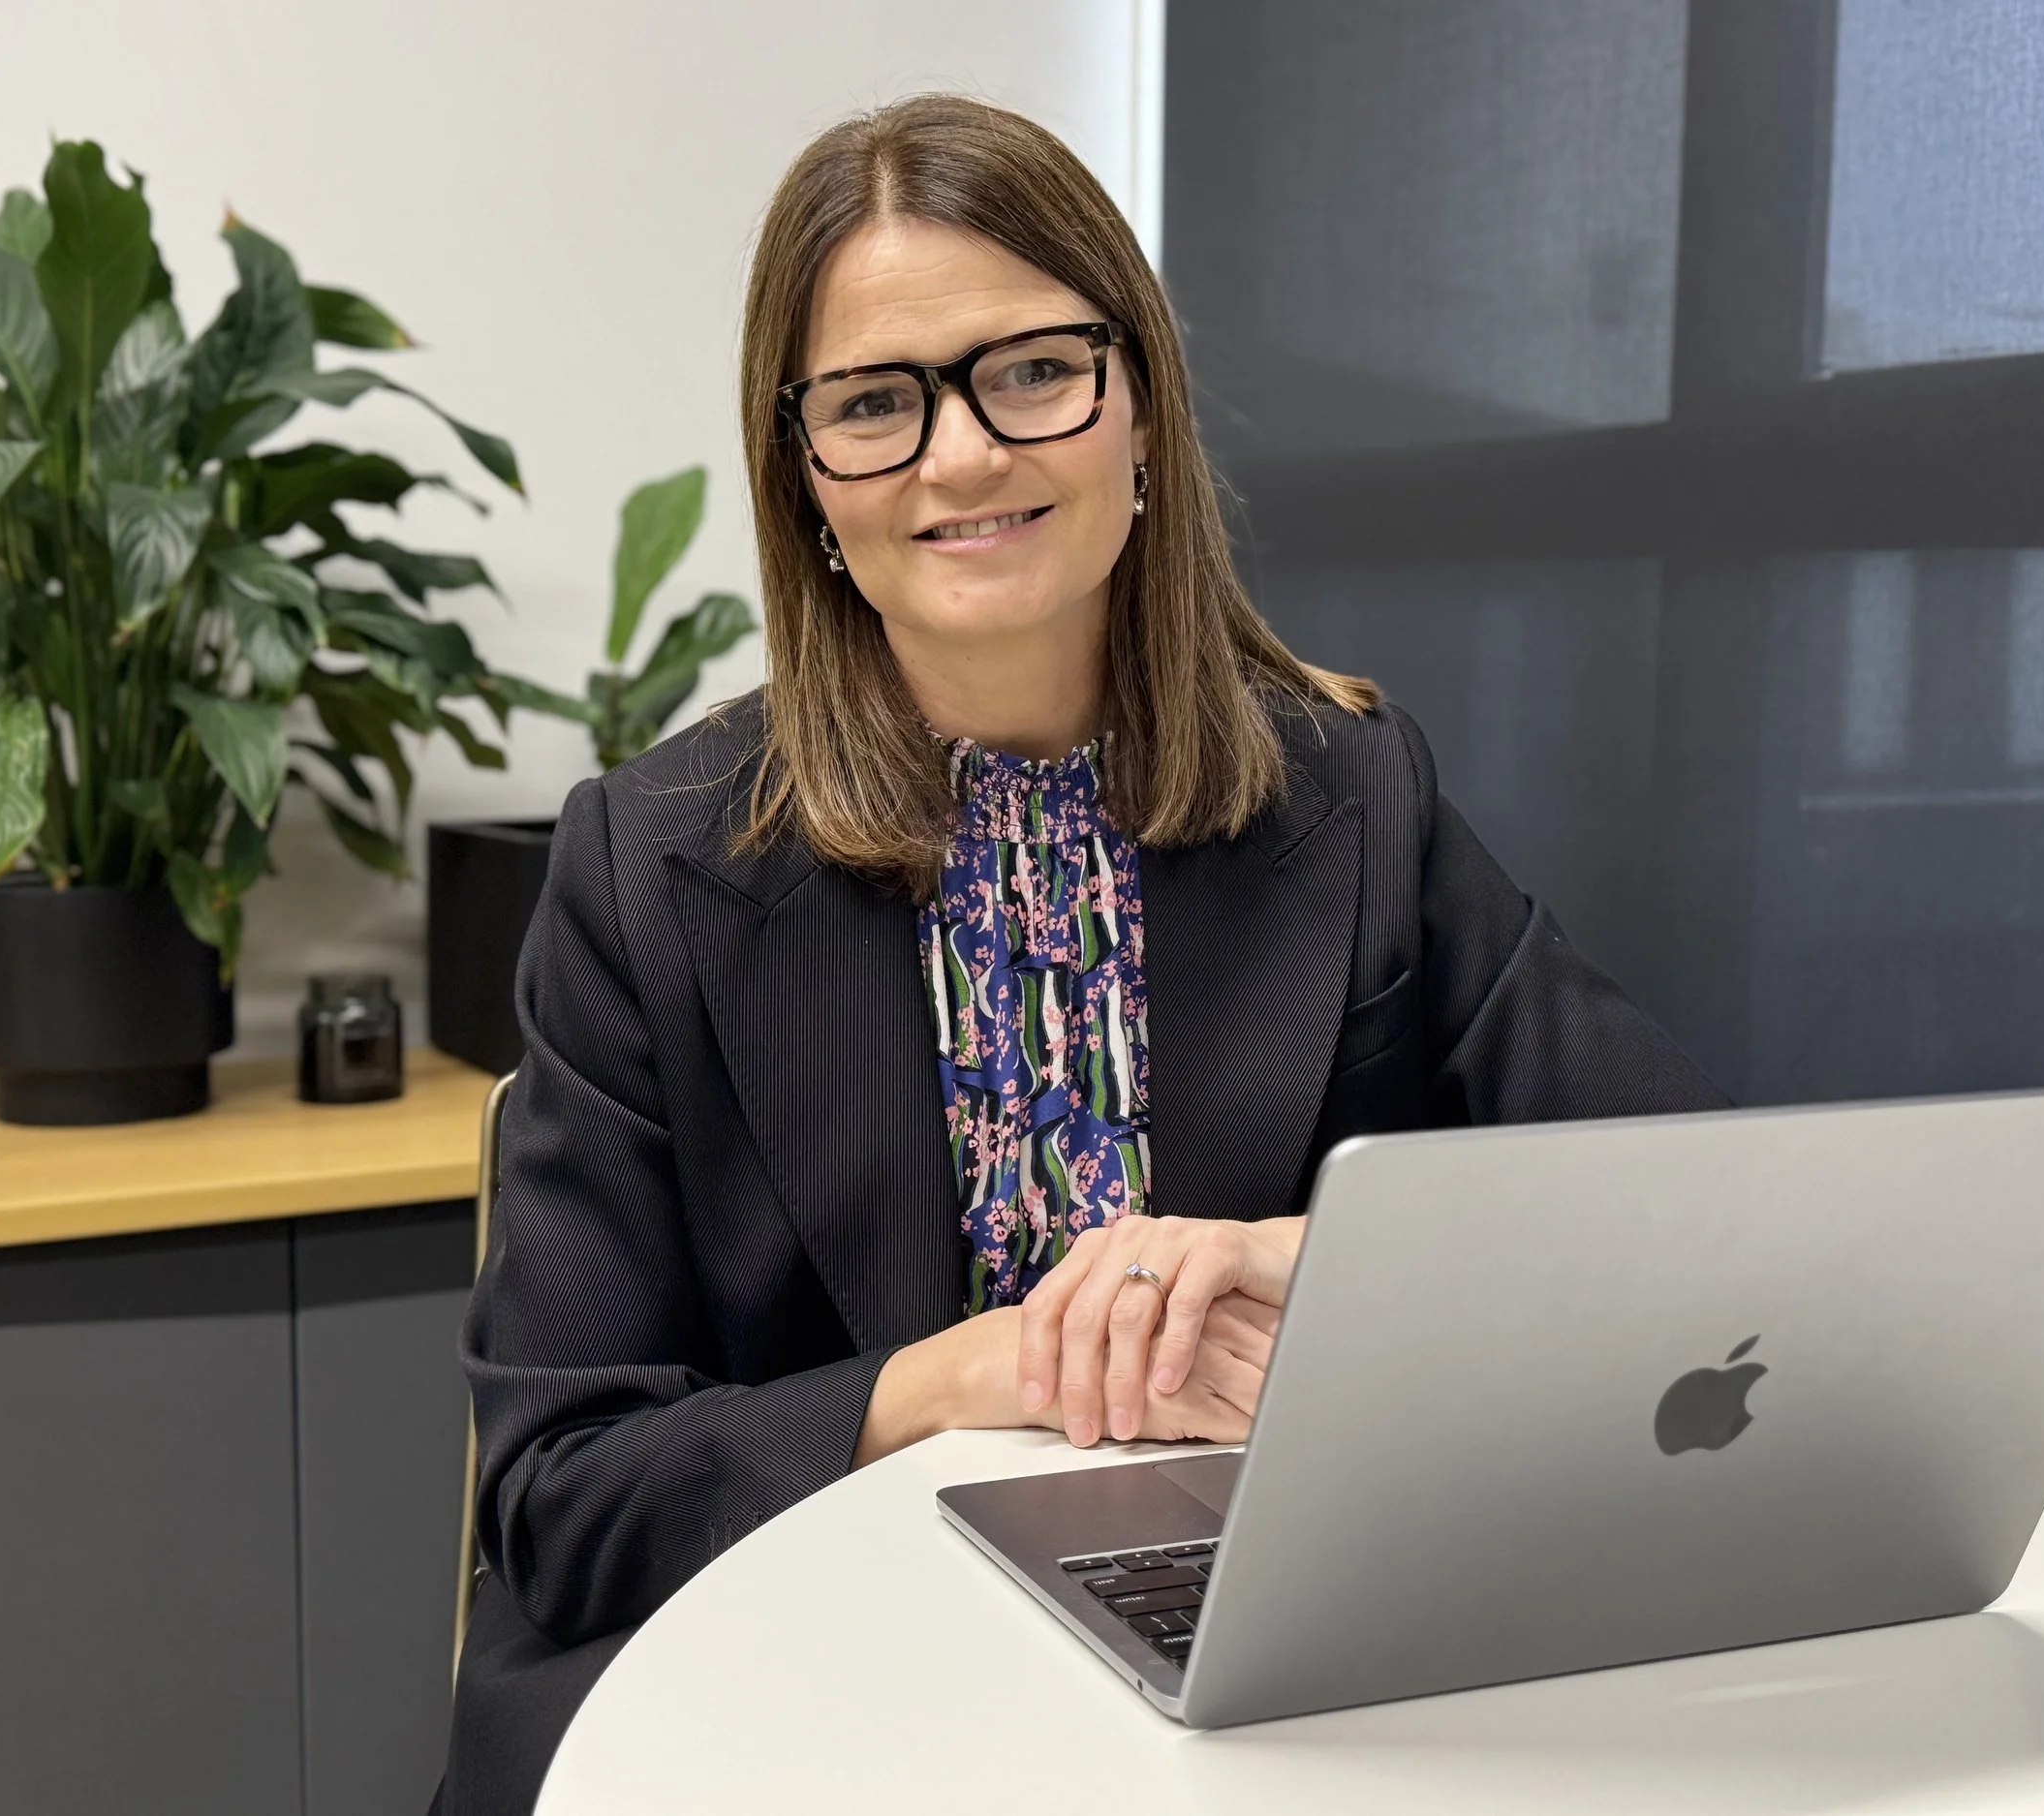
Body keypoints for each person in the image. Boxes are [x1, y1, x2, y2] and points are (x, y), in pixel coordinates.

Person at [436, 92, 1724, 1813]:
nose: (963, 455)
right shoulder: (648, 864)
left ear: (1137, 414)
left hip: (1258, 1657)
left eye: (1031, 369)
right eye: (877, 405)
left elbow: (1679, 1217)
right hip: (806, 1681)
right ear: (809, 479)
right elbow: (562, 1493)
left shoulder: (1351, 788)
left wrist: (1315, 1263)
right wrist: (953, 1380)